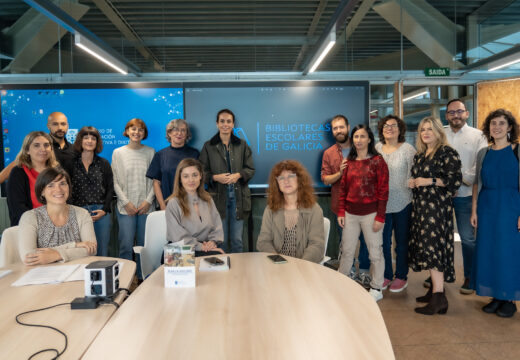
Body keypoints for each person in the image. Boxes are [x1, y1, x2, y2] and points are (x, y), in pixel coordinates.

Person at [408, 117, 462, 315]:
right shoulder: (421, 155)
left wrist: (428, 180)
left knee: (434, 251)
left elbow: (454, 181)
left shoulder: (447, 152)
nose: (426, 133)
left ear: (439, 131)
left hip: (437, 209)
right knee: (427, 249)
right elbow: (420, 178)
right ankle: (434, 291)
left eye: (430, 129)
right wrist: (414, 182)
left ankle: (439, 297)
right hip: (421, 209)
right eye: (423, 129)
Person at [471, 109, 520, 318]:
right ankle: (495, 295)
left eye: (501, 123)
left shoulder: (517, 150)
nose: (497, 127)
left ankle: (508, 298)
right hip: (487, 205)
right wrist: (474, 209)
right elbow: (476, 184)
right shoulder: (484, 153)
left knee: (508, 252)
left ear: (509, 127)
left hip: (510, 206)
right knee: (488, 250)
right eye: (493, 123)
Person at [435, 99, 487, 295]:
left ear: (466, 113)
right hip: (442, 197)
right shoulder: (441, 135)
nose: (455, 115)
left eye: (459, 111)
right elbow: (436, 162)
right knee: (439, 238)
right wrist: (446, 184)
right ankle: (436, 275)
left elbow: (478, 166)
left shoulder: (478, 136)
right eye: (451, 112)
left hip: (465, 195)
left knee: (467, 239)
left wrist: (456, 182)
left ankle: (469, 276)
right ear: (446, 115)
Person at [337, 125, 389, 302]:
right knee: (347, 251)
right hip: (350, 215)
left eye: (362, 136)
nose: (358, 140)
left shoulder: (378, 161)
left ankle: (376, 288)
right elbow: (343, 189)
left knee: (375, 253)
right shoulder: (348, 162)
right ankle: (341, 282)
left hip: (371, 215)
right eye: (356, 136)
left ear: (369, 139)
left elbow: (383, 191)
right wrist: (341, 211)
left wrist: (380, 217)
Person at [321, 115, 371, 286]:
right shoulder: (328, 153)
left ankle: (364, 272)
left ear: (348, 127)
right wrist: (340, 173)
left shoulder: (362, 146)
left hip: (365, 205)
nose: (338, 131)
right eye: (335, 128)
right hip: (342, 207)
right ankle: (348, 271)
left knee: (365, 242)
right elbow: (325, 179)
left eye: (341, 127)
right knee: (346, 243)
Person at [199, 109, 255, 253]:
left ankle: (238, 274)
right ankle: (221, 272)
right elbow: (200, 173)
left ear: (233, 124)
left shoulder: (242, 145)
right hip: (218, 200)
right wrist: (214, 177)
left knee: (237, 241)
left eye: (228, 121)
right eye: (222, 121)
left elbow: (250, 169)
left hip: (239, 199)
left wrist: (239, 175)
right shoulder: (208, 146)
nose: (225, 124)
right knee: (220, 240)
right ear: (217, 124)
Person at [18, 167, 97, 265]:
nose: (58, 189)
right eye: (51, 185)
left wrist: (57, 255)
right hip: (42, 275)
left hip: (77, 272)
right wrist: (75, 245)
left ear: (69, 187)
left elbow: (92, 249)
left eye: (62, 183)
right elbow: (29, 257)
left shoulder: (82, 214)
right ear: (42, 191)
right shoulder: (29, 217)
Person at [375, 115, 416, 293]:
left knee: (401, 242)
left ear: (400, 130)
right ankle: (385, 275)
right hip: (381, 203)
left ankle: (401, 276)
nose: (389, 128)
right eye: (386, 125)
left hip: (403, 202)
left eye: (393, 125)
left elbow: (413, 176)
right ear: (381, 130)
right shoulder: (376, 148)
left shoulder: (408, 149)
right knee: (382, 242)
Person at [257, 160, 325, 263]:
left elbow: (317, 245)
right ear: (277, 183)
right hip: (276, 266)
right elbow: (263, 241)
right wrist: (277, 261)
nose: (286, 181)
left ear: (300, 179)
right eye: (281, 178)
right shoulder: (270, 209)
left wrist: (300, 265)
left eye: (291, 176)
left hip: (303, 267)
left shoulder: (315, 210)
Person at [112, 119, 155, 276]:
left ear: (144, 133)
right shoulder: (118, 152)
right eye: (133, 129)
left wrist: (148, 201)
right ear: (127, 131)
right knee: (126, 245)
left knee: (144, 246)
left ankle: (143, 277)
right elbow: (114, 180)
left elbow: (154, 180)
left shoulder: (150, 152)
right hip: (126, 208)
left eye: (140, 130)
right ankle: (126, 279)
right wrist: (126, 202)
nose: (137, 132)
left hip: (146, 207)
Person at [165, 158, 224, 256]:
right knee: (213, 259)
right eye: (186, 176)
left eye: (195, 175)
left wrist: (213, 242)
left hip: (204, 248)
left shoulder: (208, 199)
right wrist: (201, 247)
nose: (191, 180)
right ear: (180, 179)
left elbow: (217, 226)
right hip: (178, 250)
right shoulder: (173, 203)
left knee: (219, 263)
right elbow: (178, 237)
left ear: (200, 176)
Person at [70, 126, 114, 257]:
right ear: (80, 141)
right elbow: (66, 188)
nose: (89, 141)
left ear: (97, 142)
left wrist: (105, 210)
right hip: (78, 212)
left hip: (101, 212)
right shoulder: (71, 163)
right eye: (86, 138)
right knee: (84, 252)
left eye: (93, 138)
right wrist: (75, 211)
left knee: (102, 250)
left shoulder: (103, 163)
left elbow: (110, 188)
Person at [0, 111, 75, 183]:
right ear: (48, 126)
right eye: (55, 124)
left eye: (63, 124)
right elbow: (17, 164)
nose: (60, 128)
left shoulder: (74, 149)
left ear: (67, 126)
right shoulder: (40, 148)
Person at [6, 131, 59, 226]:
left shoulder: (57, 171)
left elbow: (65, 200)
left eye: (46, 145)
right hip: (28, 227)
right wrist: (44, 224)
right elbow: (18, 208)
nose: (43, 149)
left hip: (56, 225)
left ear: (51, 148)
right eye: (36, 145)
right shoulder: (18, 172)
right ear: (27, 150)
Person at [146, 119, 199, 210]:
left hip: (190, 205)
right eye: (176, 130)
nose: (179, 133)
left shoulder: (194, 154)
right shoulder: (161, 155)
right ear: (169, 133)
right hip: (167, 205)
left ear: (187, 134)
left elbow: (199, 180)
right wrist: (163, 206)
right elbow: (156, 183)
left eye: (183, 130)